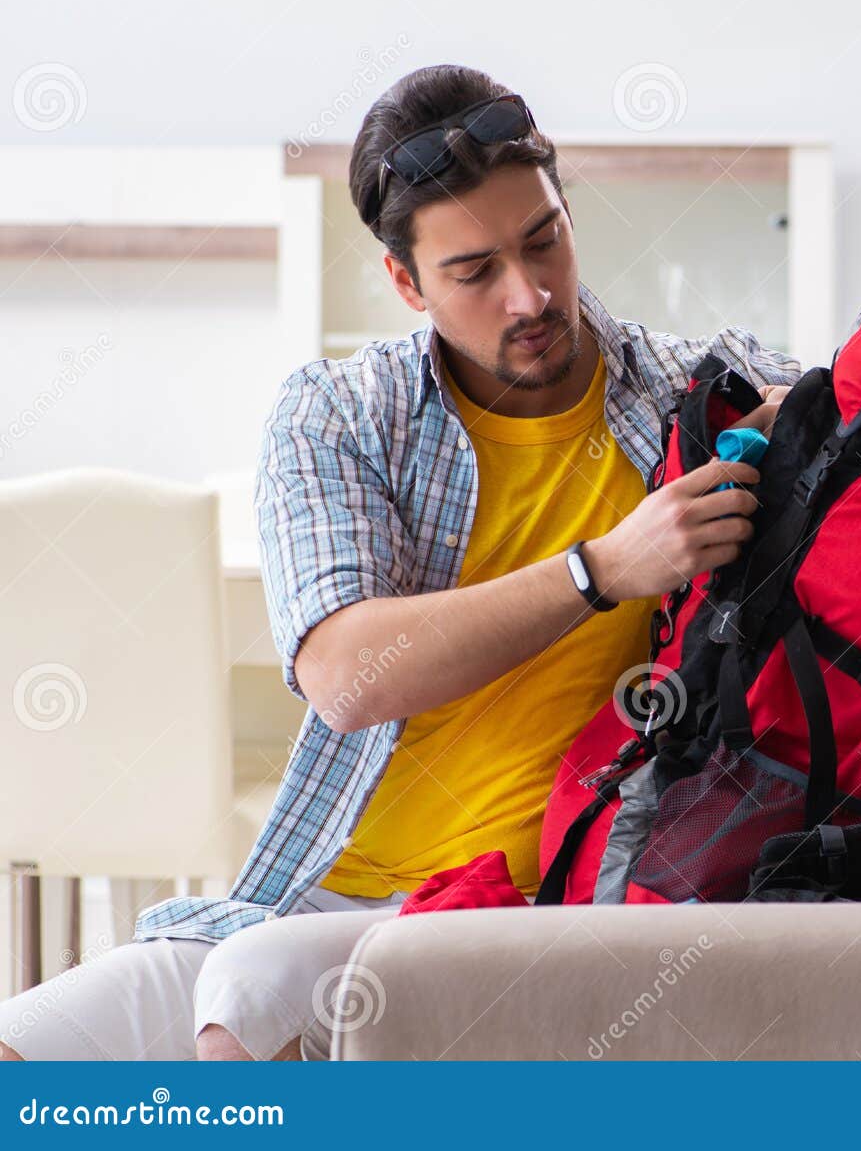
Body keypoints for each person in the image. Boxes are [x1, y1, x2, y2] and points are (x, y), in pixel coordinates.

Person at [0, 63, 799, 1062]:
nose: (531, 294)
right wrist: (600, 569)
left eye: (544, 239)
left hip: (527, 906)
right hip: (314, 891)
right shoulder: (341, 414)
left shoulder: (693, 388)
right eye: (473, 272)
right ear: (405, 282)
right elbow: (343, 676)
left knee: (250, 1006)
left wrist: (808, 425)